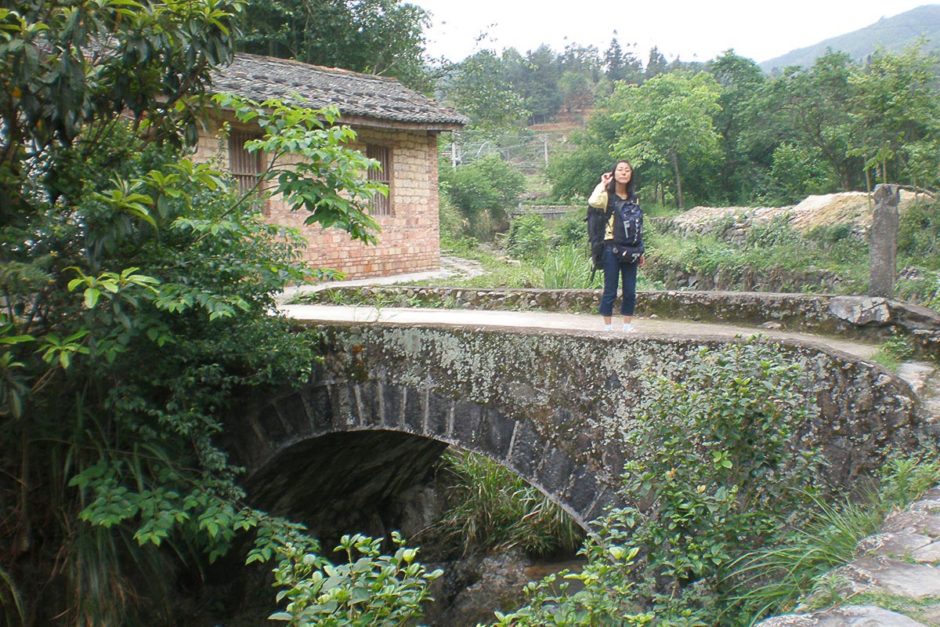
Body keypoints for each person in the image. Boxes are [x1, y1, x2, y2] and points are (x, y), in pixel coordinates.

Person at [588, 160, 645, 332]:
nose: (624, 173)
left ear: (631, 175)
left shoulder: (634, 198)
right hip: (610, 248)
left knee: (630, 290)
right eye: (620, 170)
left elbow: (638, 226)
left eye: (627, 170)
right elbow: (593, 202)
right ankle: (608, 326)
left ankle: (627, 325)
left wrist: (641, 250)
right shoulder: (607, 196)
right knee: (610, 289)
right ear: (614, 173)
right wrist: (603, 184)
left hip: (631, 248)